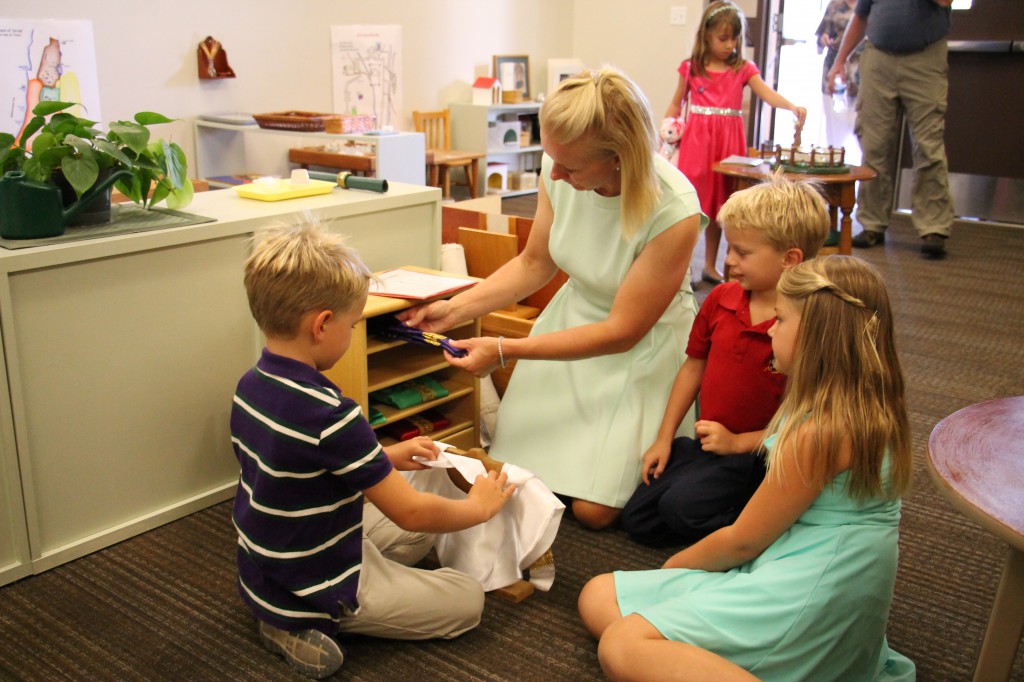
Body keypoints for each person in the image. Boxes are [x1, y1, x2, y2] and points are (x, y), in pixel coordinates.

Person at [578, 255, 915, 681]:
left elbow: (742, 542)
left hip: (808, 590)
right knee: (597, 595)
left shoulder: (821, 431)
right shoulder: (861, 402)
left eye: (780, 320)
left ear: (814, 337)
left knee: (621, 644)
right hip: (796, 563)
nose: (770, 330)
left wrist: (670, 572)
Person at [399, 68, 706, 531]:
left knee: (594, 512)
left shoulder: (674, 210)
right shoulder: (558, 165)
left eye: (571, 167)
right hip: (573, 319)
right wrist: (454, 308)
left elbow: (621, 332)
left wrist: (504, 350)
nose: (555, 174)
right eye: (551, 159)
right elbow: (533, 265)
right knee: (515, 473)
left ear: (619, 157)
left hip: (641, 344)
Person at [231, 219, 515, 679]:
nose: (352, 331)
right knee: (467, 599)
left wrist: (386, 457)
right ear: (323, 325)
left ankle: (279, 604)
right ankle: (302, 621)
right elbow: (414, 515)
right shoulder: (332, 413)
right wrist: (480, 509)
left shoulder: (251, 385)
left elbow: (296, 470)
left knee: (419, 534)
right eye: (353, 323)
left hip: (270, 558)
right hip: (321, 577)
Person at [619, 172, 830, 547]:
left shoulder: (807, 321)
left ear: (790, 259)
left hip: (762, 454)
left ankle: (762, 527)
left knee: (680, 510)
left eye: (742, 253)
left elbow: (811, 418)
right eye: (729, 248)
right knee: (638, 519)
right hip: (709, 444)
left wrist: (739, 443)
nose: (727, 261)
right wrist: (665, 438)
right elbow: (693, 367)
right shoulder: (721, 299)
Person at [665, 0, 807, 285]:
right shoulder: (691, 68)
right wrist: (664, 135)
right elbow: (675, 104)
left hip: (728, 145)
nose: (730, 44)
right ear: (706, 35)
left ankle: (710, 265)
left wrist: (791, 106)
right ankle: (686, 266)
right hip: (697, 144)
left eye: (734, 38)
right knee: (694, 203)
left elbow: (767, 93)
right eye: (723, 38)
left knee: (722, 206)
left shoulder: (743, 69)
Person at [827, 0, 955, 258]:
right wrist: (840, 60)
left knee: (927, 146)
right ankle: (872, 224)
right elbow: (862, 15)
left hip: (925, 58)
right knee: (873, 144)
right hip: (878, 57)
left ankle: (934, 228)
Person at [815, 0, 862, 96]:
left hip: (861, 73)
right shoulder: (834, 5)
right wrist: (824, 39)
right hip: (834, 71)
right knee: (829, 109)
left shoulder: (870, 6)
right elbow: (820, 39)